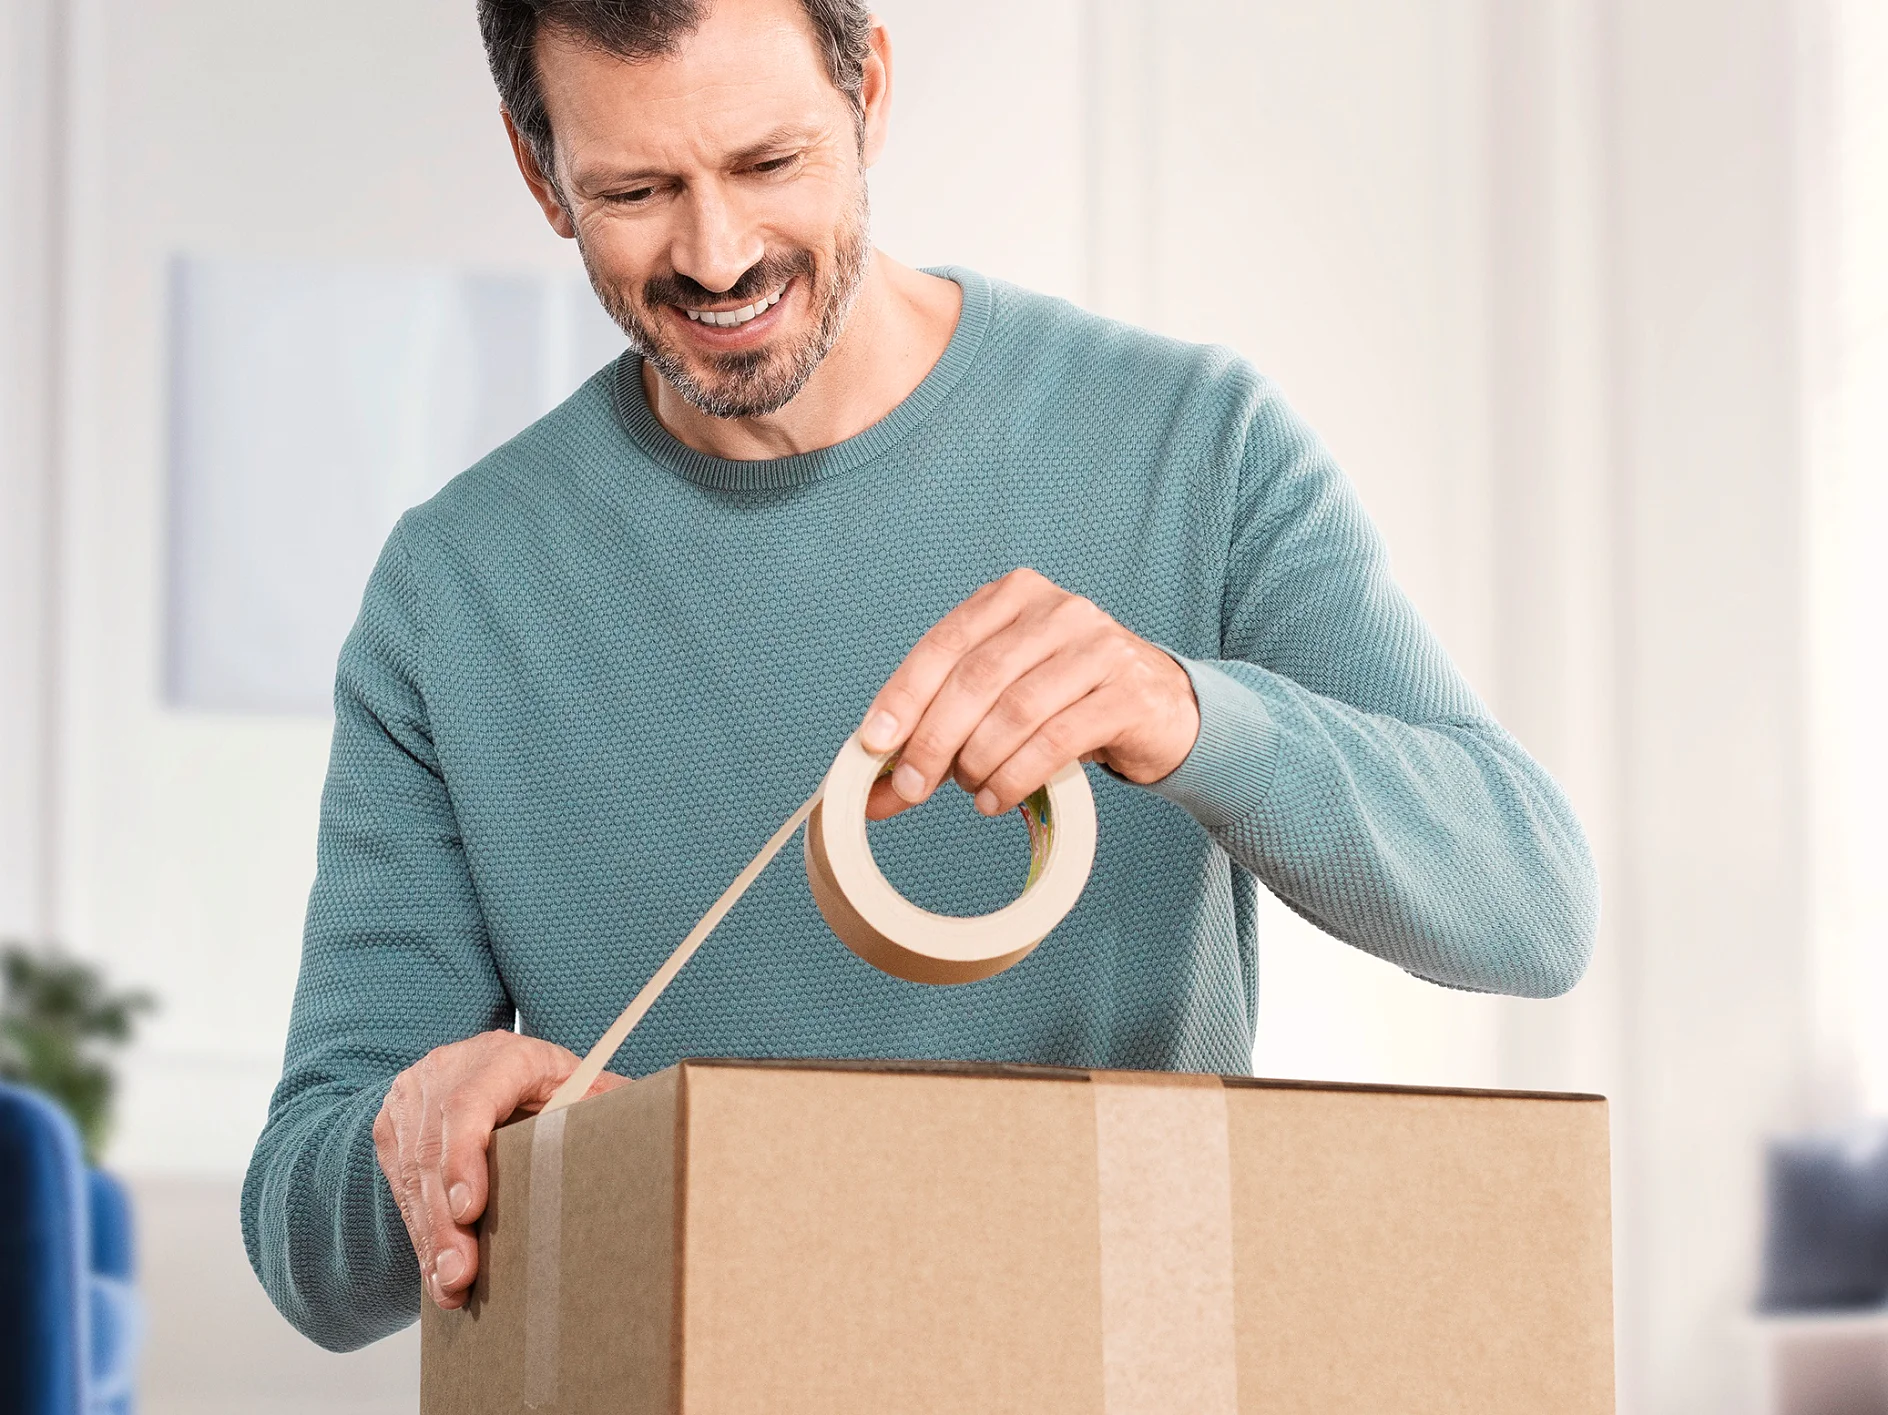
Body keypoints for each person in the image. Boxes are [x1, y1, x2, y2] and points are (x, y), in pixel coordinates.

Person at [242, 0, 1599, 1352]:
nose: (717, 256)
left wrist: (1191, 714)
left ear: (869, 89)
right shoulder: (454, 590)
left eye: (768, 163)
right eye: (636, 189)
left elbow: (1532, 904)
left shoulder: (1194, 445)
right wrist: (421, 1132)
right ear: (541, 175)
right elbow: (306, 1241)